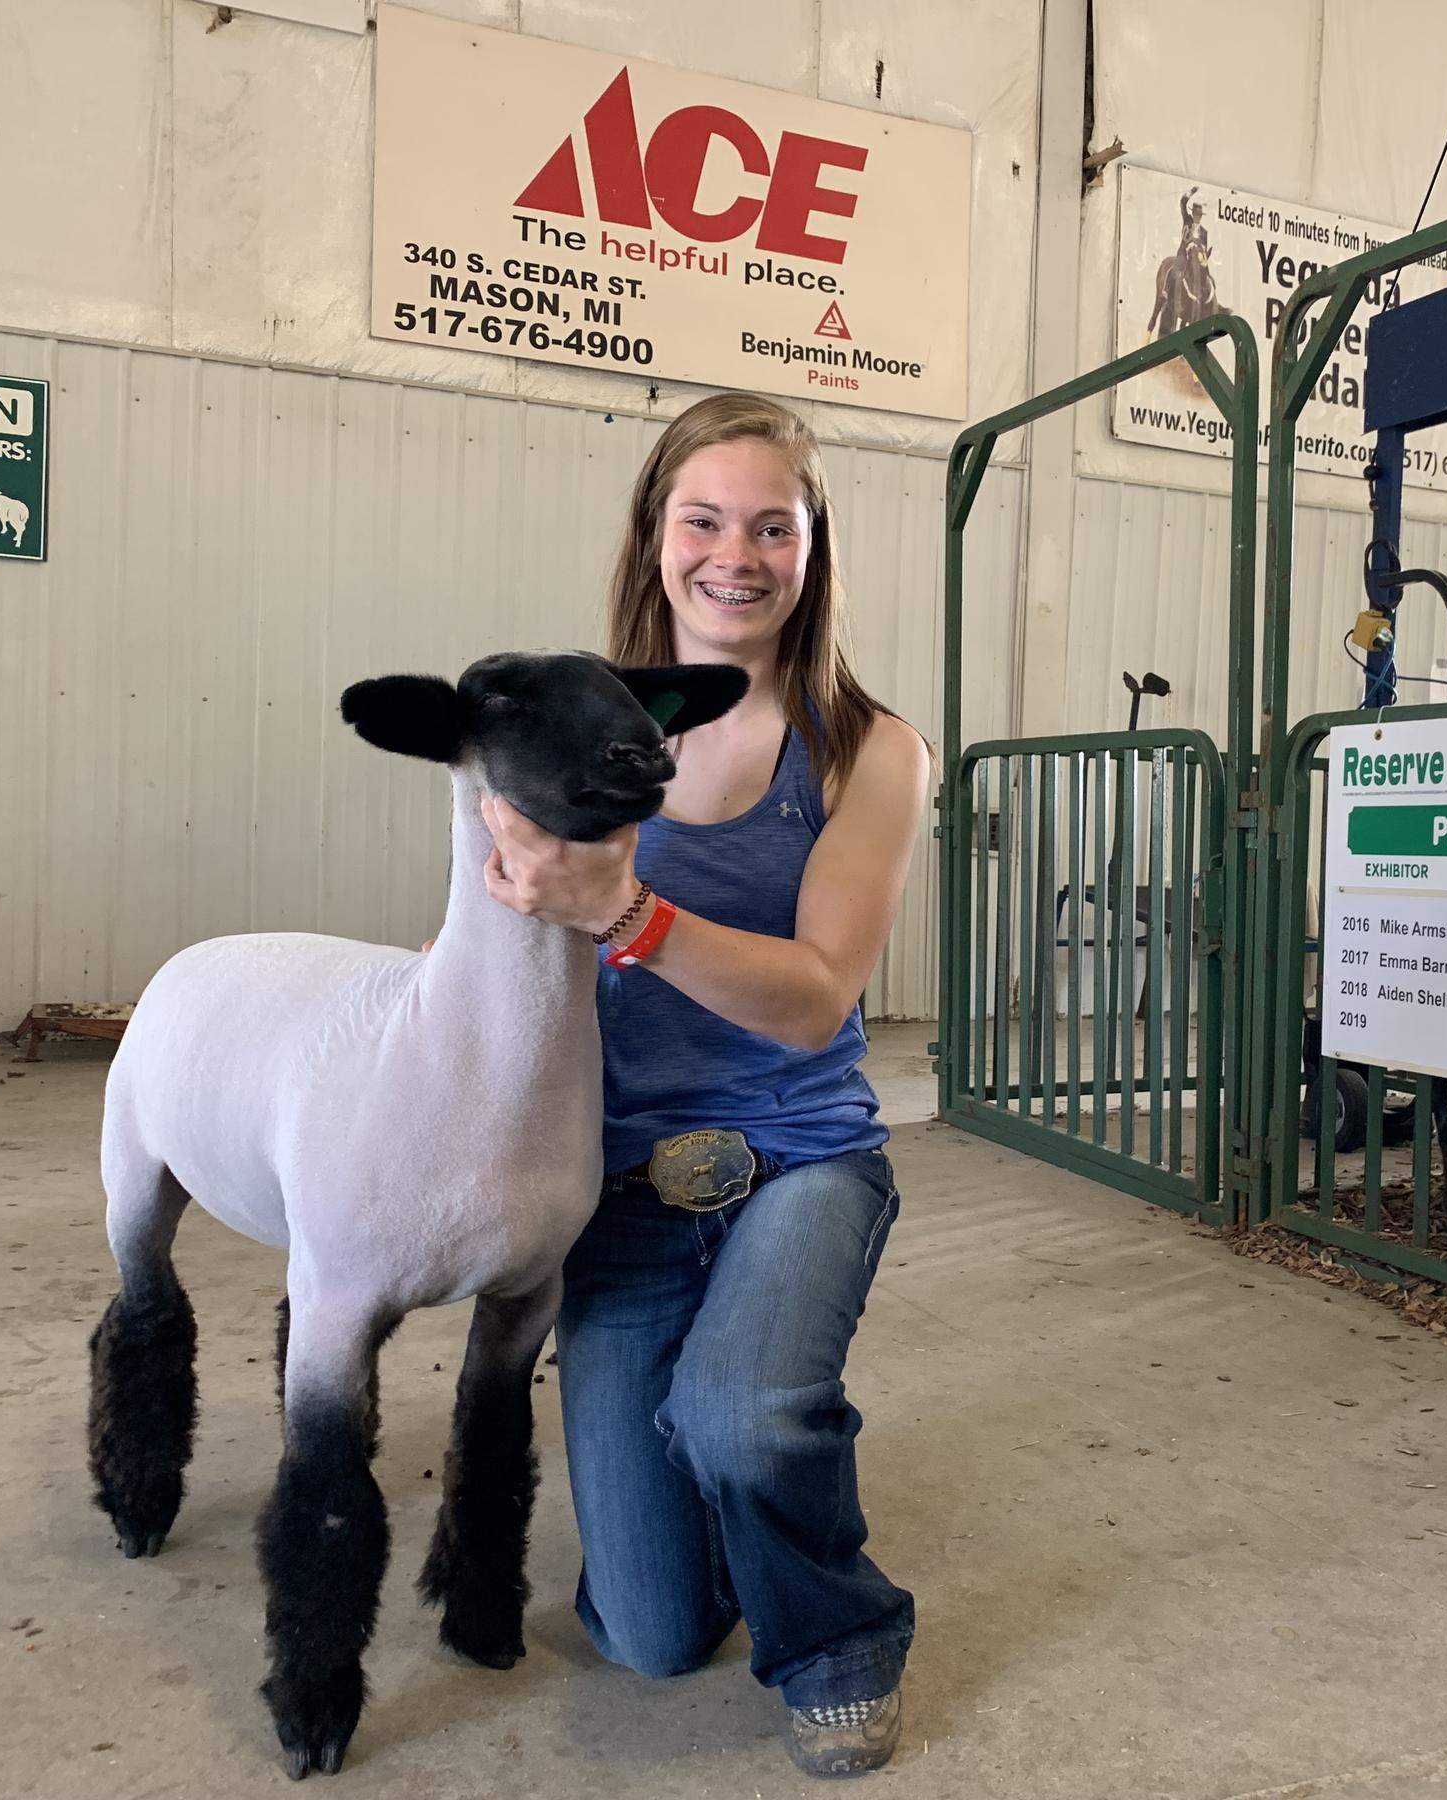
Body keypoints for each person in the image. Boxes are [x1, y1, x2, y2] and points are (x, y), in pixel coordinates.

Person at [476, 391, 931, 1778]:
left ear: (814, 549)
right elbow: (490, 966)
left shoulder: (868, 750)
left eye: (773, 526)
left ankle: (839, 1632)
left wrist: (630, 911)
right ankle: (745, 1475)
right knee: (655, 1633)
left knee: (739, 1412)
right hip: (617, 1183)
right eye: (704, 519)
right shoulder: (562, 731)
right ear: (655, 534)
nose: (737, 555)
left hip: (801, 1158)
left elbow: (815, 1002)